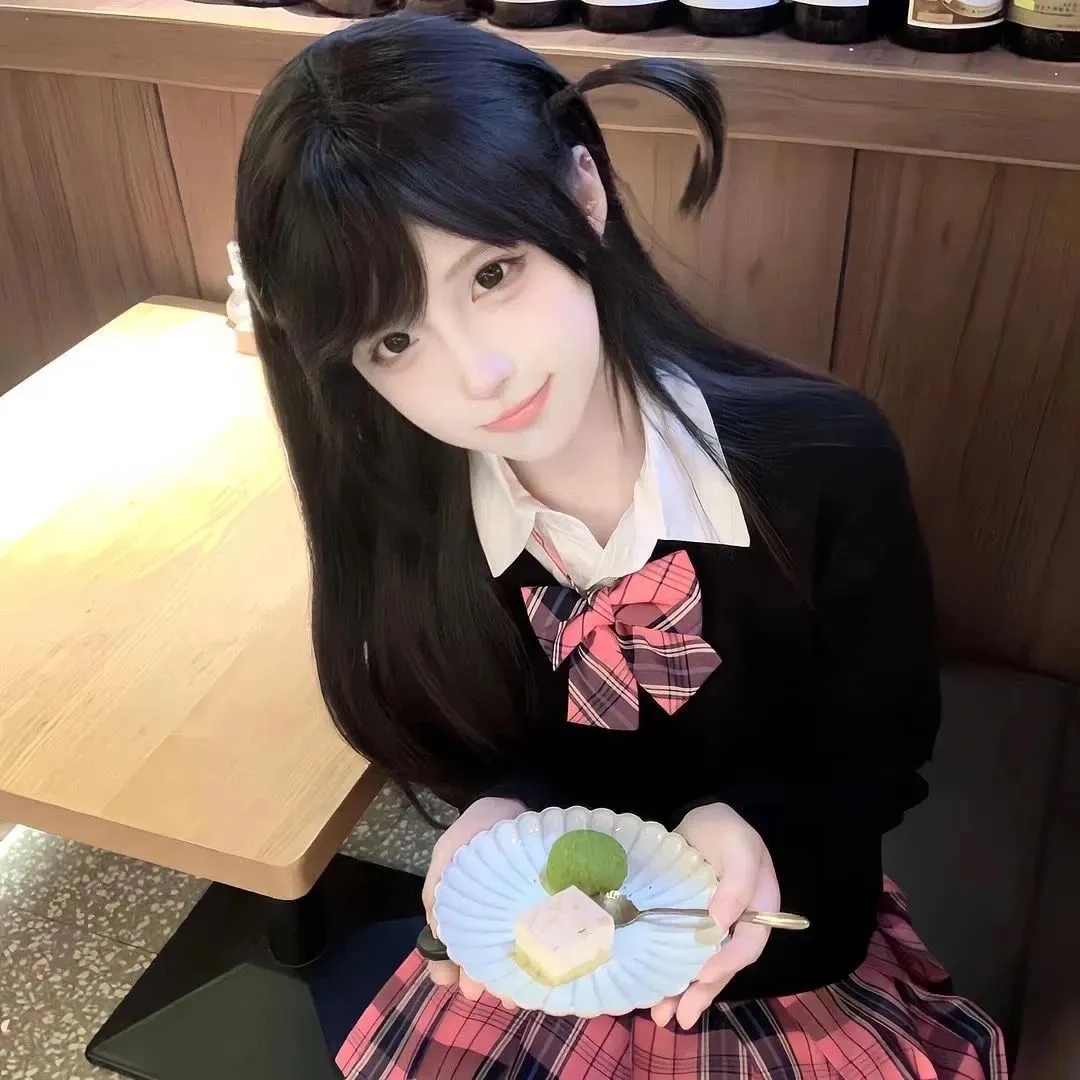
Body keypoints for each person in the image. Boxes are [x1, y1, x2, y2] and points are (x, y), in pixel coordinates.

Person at [235, 14, 1007, 1079]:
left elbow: (881, 753)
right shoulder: (412, 513)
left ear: (584, 195)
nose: (478, 376)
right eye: (395, 338)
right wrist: (500, 809)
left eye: (492, 274)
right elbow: (465, 737)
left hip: (780, 945)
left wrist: (755, 829)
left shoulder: (824, 459)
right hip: (542, 951)